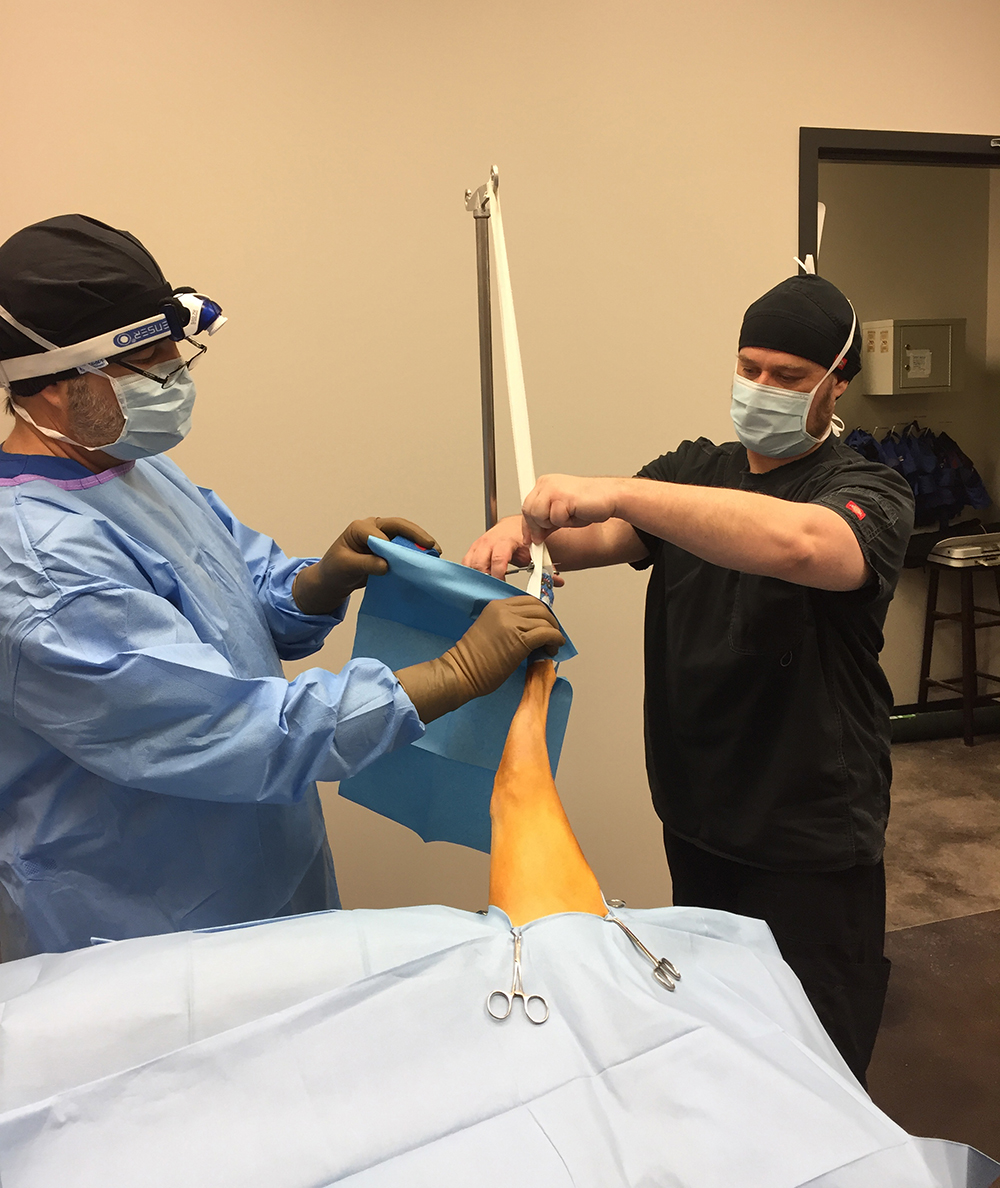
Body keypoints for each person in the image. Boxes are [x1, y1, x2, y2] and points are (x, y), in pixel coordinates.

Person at [0, 214, 563, 961]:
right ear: (50, 387)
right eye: (144, 361)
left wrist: (318, 583)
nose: (174, 374)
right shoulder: (37, 566)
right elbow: (227, 728)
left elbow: (233, 596)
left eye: (174, 350)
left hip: (263, 865)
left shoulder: (132, 470)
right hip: (138, 921)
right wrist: (449, 675)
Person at [463, 273, 915, 1084]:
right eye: (750, 367)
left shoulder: (867, 492)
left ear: (837, 383)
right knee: (717, 1044)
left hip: (807, 831)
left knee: (812, 1062)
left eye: (788, 375)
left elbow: (805, 545)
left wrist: (623, 492)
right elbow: (589, 538)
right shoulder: (694, 469)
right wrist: (521, 534)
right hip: (699, 811)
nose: (761, 387)